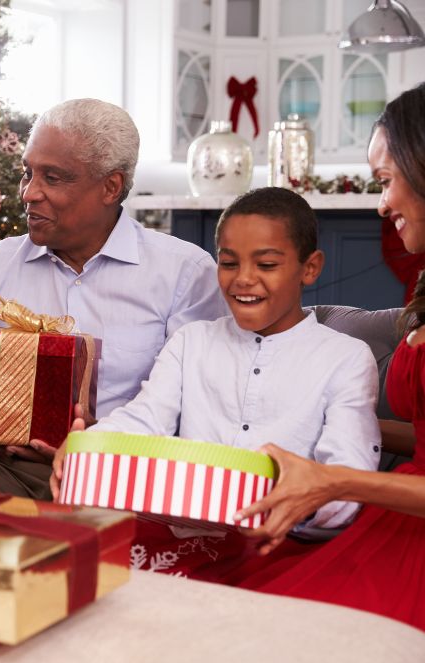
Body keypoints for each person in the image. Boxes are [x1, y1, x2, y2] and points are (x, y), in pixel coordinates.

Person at [50, 187, 381, 576]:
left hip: (280, 544)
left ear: (310, 267)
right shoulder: (192, 341)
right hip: (177, 534)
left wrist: (286, 501)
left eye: (267, 265)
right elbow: (144, 418)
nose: (243, 279)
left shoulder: (346, 358)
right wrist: (88, 445)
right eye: (228, 263)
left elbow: (347, 481)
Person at [0, 98, 228, 499]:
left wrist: (100, 439)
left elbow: (197, 410)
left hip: (124, 481)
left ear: (111, 187)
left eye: (52, 177)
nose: (29, 193)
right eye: (27, 173)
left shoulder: (184, 274)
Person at [221, 82, 425, 631]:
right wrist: (335, 416)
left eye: (386, 182)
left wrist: (334, 480)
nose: (382, 205)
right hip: (398, 515)